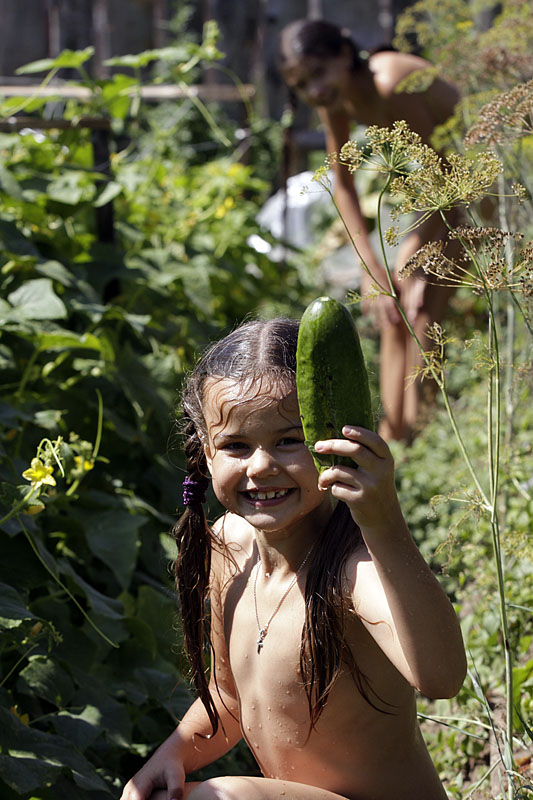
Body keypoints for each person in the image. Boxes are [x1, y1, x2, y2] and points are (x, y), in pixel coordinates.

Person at [121, 317, 466, 800]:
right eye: (236, 445)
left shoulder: (354, 569)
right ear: (205, 452)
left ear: (333, 440)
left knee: (218, 799)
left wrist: (383, 521)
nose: (261, 466)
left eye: (289, 440)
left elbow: (442, 677)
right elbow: (231, 698)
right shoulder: (228, 546)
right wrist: (173, 752)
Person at [279, 19, 461, 442]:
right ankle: (391, 436)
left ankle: (419, 440)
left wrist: (414, 255)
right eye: (302, 84)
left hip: (485, 181)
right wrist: (369, 269)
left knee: (420, 309)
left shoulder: (391, 83)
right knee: (390, 306)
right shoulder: (336, 101)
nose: (315, 91)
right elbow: (342, 186)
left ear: (344, 55)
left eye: (319, 74)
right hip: (441, 189)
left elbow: (449, 172)